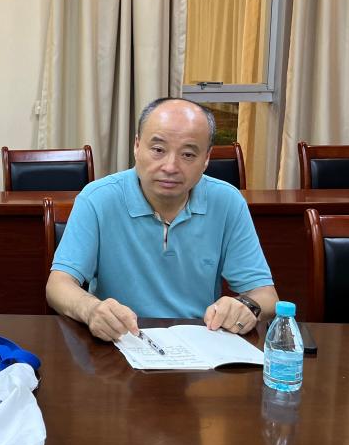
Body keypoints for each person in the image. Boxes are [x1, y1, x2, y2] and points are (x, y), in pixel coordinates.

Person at [46, 97, 278, 341]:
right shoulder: (98, 199)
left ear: (207, 158)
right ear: (137, 146)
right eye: (158, 150)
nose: (170, 166)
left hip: (201, 343)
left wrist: (245, 306)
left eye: (188, 154)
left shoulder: (227, 201)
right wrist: (91, 309)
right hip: (121, 340)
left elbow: (266, 296)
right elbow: (58, 285)